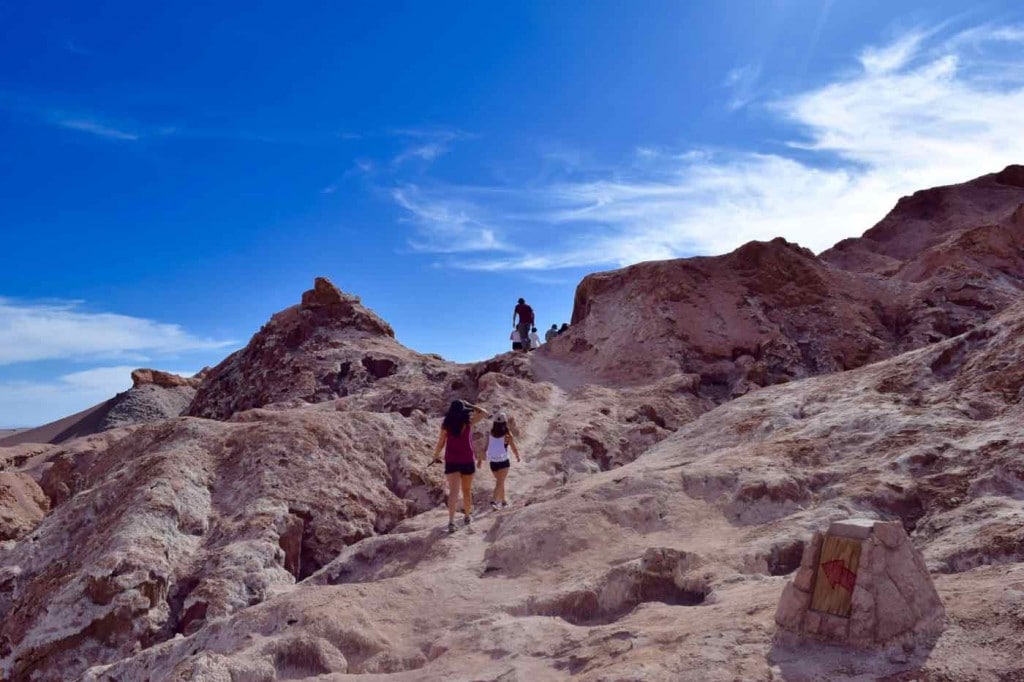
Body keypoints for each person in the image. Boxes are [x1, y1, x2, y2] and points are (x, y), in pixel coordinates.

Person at [431, 400, 489, 533]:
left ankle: (451, 522)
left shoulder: (446, 425)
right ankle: (467, 517)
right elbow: (485, 413)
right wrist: (469, 405)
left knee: (453, 492)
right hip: (467, 460)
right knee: (467, 490)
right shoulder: (468, 422)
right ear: (463, 410)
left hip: (452, 461)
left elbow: (441, 443)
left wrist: (435, 455)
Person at [477, 411, 521, 510]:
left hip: (493, 462)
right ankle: (494, 501)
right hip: (503, 461)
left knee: (500, 481)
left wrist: (479, 460)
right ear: (505, 422)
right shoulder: (507, 435)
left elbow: (485, 448)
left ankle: (504, 502)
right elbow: (513, 447)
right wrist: (517, 456)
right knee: (500, 482)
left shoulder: (490, 433)